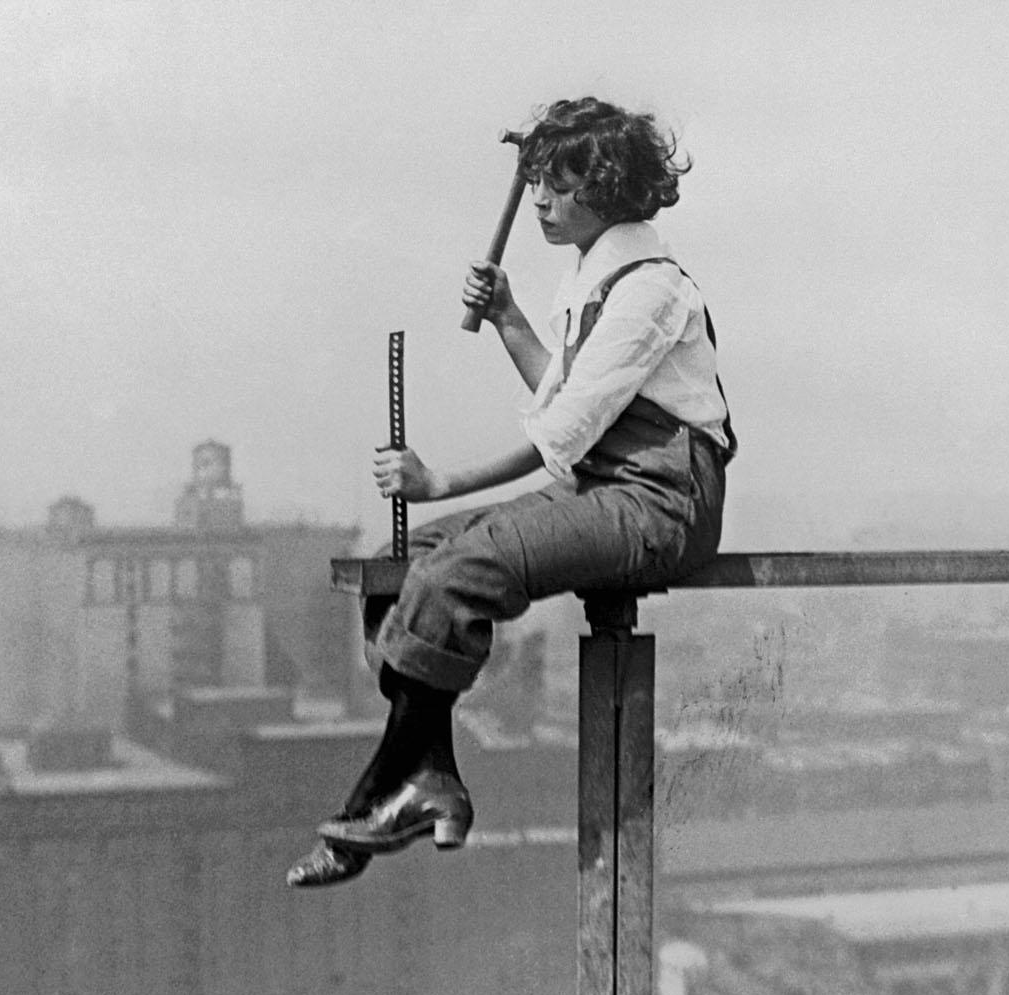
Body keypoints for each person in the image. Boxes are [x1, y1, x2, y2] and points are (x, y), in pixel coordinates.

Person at [287, 97, 734, 887]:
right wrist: (507, 317)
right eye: (535, 183)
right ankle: (432, 774)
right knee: (403, 565)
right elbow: (566, 395)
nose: (539, 201)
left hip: (662, 502)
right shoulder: (597, 280)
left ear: (607, 187)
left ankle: (379, 796)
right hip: (605, 488)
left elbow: (564, 430)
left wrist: (440, 482)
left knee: (460, 570)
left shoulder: (650, 290)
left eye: (557, 187)